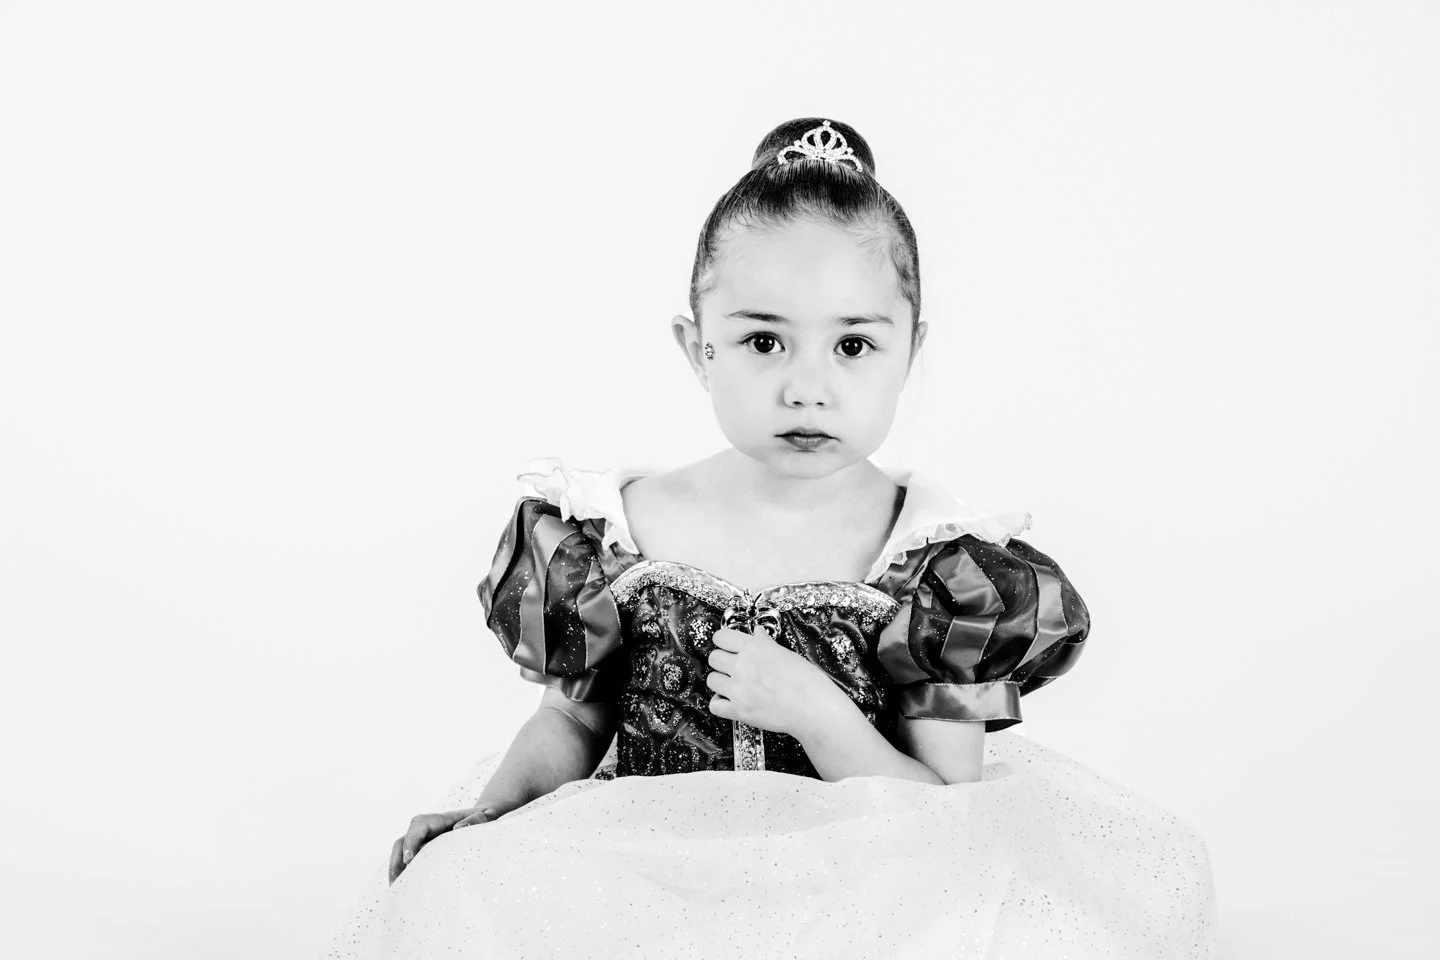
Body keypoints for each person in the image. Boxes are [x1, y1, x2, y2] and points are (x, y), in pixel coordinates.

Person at [320, 118, 1216, 959]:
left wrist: (817, 712)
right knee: (463, 902)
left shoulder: (941, 566)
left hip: (866, 891)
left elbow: (946, 818)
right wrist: (492, 815)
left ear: (913, 348)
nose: (806, 388)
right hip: (643, 878)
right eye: (762, 343)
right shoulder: (617, 527)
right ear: (696, 346)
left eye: (854, 347)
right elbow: (572, 714)